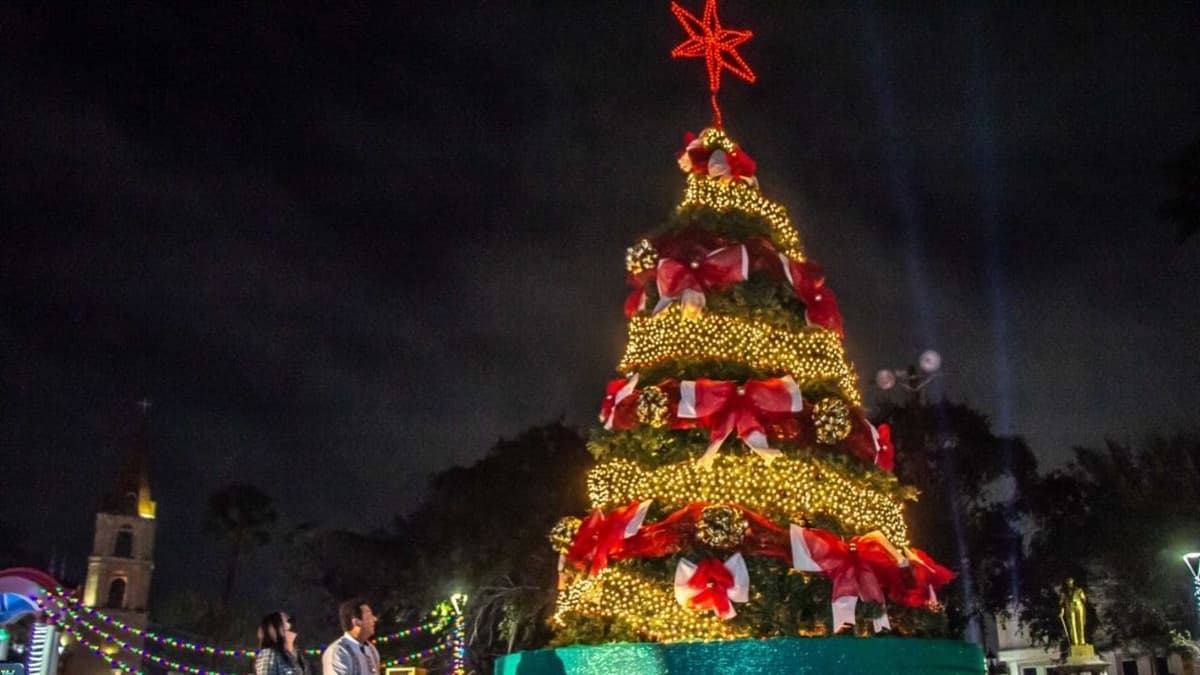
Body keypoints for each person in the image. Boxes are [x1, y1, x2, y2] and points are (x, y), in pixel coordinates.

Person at [321, 597, 380, 675]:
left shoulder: (371, 649)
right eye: (369, 615)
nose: (374, 619)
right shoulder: (338, 652)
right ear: (356, 622)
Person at [1058, 577, 1087, 646]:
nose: (1069, 583)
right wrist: (1062, 611)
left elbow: (1084, 600)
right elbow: (1061, 603)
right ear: (1066, 583)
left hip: (1079, 607)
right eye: (1068, 582)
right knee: (1072, 625)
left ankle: (1082, 641)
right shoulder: (1064, 592)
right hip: (1070, 608)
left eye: (1070, 582)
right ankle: (1075, 642)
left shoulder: (1079, 590)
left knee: (1080, 624)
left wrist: (1082, 600)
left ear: (1073, 582)